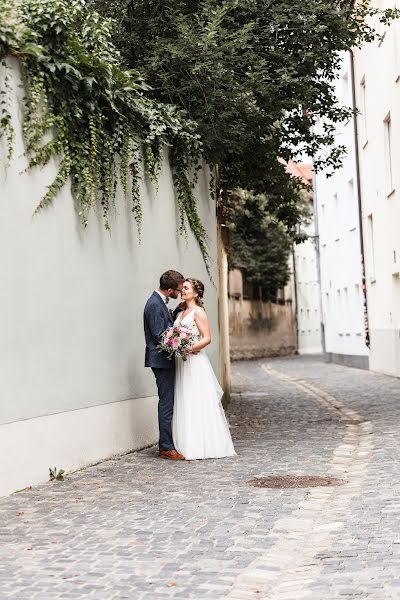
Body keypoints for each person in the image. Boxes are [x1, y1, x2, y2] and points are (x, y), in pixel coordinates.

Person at [172, 278, 236, 460]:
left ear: (196, 293)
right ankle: (185, 443)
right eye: (182, 288)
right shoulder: (181, 313)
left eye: (186, 288)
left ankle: (201, 445)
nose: (182, 291)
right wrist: (175, 345)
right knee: (184, 398)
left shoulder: (198, 312)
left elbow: (207, 338)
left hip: (194, 361)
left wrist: (189, 348)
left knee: (195, 399)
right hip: (182, 362)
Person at [144, 270, 185, 460]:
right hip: (161, 360)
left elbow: (165, 325)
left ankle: (167, 444)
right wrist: (183, 339)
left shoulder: (160, 302)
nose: (180, 293)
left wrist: (177, 312)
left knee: (168, 402)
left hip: (165, 359)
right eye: (178, 290)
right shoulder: (153, 304)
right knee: (166, 403)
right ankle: (166, 447)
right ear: (170, 290)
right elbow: (160, 335)